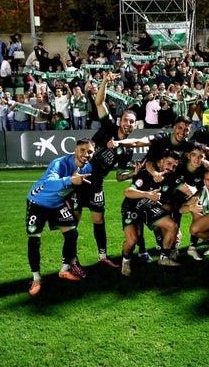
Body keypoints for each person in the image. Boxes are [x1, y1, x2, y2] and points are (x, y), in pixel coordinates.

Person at [70, 72, 137, 271]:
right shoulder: (108, 126)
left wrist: (133, 173)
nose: (128, 124)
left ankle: (102, 256)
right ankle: (72, 260)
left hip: (97, 186)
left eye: (132, 122)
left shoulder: (128, 150)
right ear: (120, 121)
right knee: (73, 222)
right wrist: (106, 81)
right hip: (80, 180)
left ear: (134, 126)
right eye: (126, 120)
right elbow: (99, 102)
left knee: (99, 221)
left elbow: (118, 176)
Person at [26, 138, 95, 296]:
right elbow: (50, 183)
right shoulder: (60, 163)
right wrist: (70, 180)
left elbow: (75, 188)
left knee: (72, 233)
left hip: (57, 204)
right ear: (75, 150)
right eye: (83, 150)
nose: (86, 154)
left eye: (90, 151)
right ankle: (36, 278)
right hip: (38, 201)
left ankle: (64, 269)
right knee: (34, 240)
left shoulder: (88, 167)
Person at [120, 149, 183, 275]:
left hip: (149, 207)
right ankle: (126, 260)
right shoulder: (144, 174)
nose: (171, 168)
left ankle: (164, 258)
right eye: (169, 164)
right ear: (161, 162)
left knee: (173, 226)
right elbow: (127, 192)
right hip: (132, 207)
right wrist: (148, 195)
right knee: (132, 241)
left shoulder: (170, 178)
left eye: (174, 166)